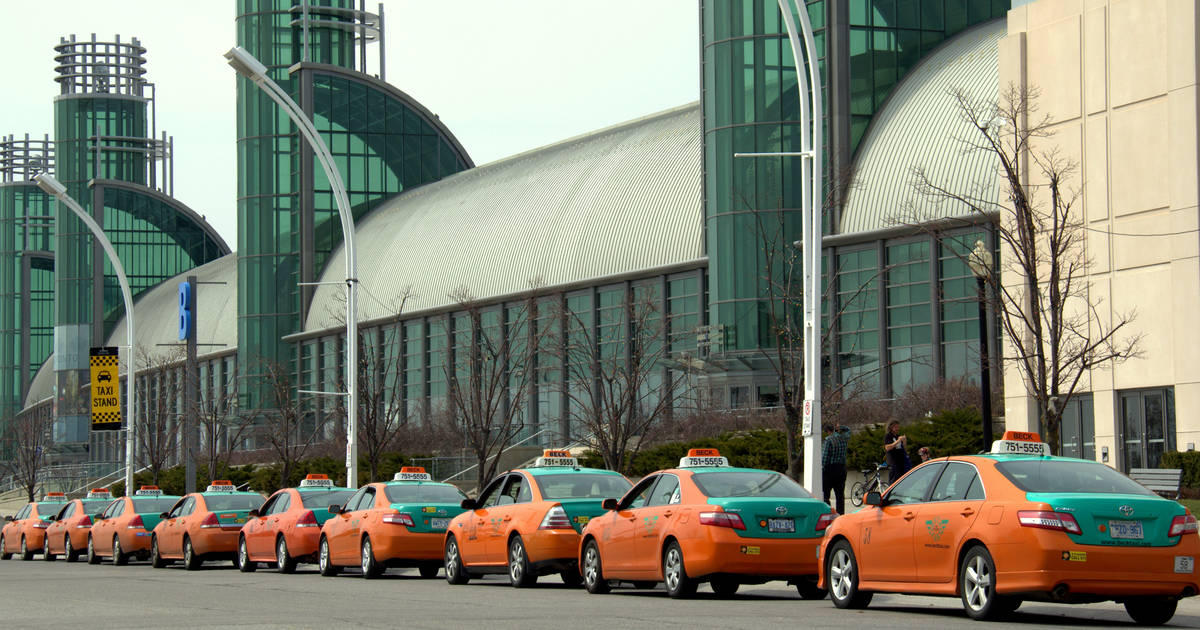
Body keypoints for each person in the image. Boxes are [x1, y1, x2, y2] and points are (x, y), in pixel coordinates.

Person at [821, 424, 851, 514]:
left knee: (826, 495)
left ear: (827, 431)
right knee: (840, 495)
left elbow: (825, 457)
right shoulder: (844, 438)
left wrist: (822, 468)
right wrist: (841, 427)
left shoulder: (828, 440)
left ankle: (828, 513)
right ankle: (840, 514)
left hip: (830, 469)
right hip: (841, 468)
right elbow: (848, 429)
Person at [883, 421, 911, 486]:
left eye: (898, 427)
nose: (897, 429)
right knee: (894, 483)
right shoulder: (888, 436)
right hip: (893, 463)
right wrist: (898, 441)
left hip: (901, 462)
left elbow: (904, 449)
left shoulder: (898, 436)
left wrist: (904, 442)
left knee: (901, 482)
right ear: (891, 427)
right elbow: (887, 447)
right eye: (895, 427)